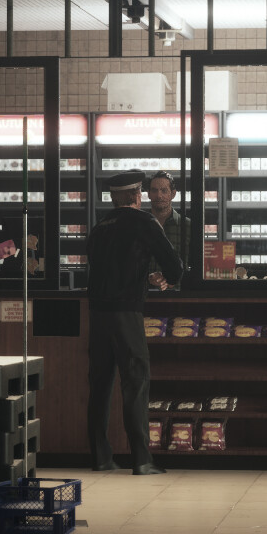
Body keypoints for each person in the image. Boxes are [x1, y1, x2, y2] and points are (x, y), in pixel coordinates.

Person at [85, 171, 184, 475]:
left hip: (97, 314)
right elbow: (173, 265)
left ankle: (101, 457)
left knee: (99, 385)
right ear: (137, 195)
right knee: (136, 382)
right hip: (126, 313)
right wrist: (166, 277)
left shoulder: (99, 226)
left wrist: (141, 274)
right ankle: (141, 458)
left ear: (114, 198)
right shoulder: (144, 222)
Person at [145, 171, 192, 285]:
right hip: (145, 293)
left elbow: (194, 266)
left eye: (164, 190)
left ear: (173, 194)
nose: (159, 195)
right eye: (154, 190)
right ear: (149, 194)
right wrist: (148, 279)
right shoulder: (140, 225)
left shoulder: (187, 226)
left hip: (179, 293)